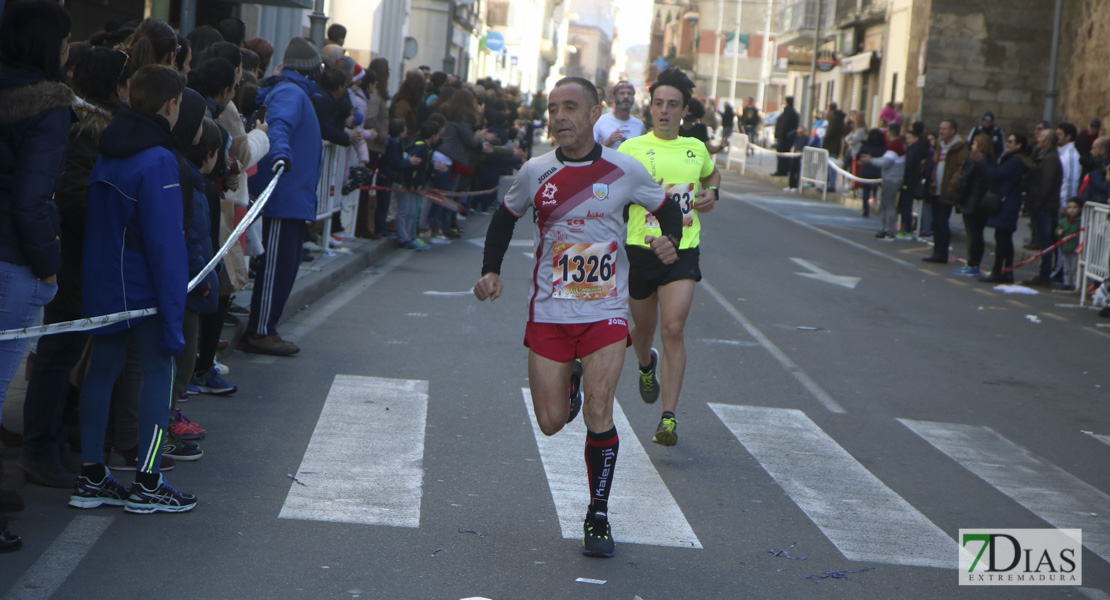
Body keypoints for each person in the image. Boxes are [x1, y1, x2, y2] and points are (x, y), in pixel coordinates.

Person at [473, 76, 681, 558]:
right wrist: (490, 271)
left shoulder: (623, 169)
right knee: (549, 423)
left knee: (600, 410)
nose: (559, 117)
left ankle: (598, 515)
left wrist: (667, 238)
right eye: (552, 109)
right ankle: (568, 385)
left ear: (594, 114)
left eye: (570, 107)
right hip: (549, 311)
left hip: (605, 311)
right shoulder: (535, 171)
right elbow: (505, 216)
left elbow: (666, 209)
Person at [72, 64, 196, 513]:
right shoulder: (159, 158)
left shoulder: (108, 149)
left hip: (103, 279)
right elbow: (165, 241)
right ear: (171, 105)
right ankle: (148, 480)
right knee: (158, 376)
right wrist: (173, 309)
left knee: (101, 372)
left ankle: (91, 475)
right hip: (143, 289)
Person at [0, 0, 73, 549]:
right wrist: (49, 268)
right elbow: (31, 199)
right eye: (66, 43)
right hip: (13, 261)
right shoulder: (49, 106)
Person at [618, 67, 719, 447]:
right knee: (643, 331)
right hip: (640, 250)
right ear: (651, 107)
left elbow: (712, 176)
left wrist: (713, 194)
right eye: (658, 103)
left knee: (673, 327)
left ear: (684, 110)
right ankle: (646, 365)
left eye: (672, 105)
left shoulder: (695, 148)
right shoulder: (630, 150)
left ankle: (669, 417)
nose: (664, 111)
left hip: (682, 250)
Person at [242, 37, 324, 356]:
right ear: (310, 70)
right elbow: (279, 127)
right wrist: (281, 156)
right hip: (283, 193)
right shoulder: (291, 92)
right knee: (277, 267)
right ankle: (260, 330)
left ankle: (265, 327)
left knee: (284, 266)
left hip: (291, 194)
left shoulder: (294, 91)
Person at [977, 133, 1032, 284]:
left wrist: (982, 161)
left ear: (1019, 145)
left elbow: (994, 174)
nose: (1007, 144)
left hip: (1007, 202)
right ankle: (1007, 271)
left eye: (1010, 141)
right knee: (1004, 238)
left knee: (1002, 239)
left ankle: (998, 271)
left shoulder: (1015, 162)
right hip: (1007, 200)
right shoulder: (1010, 159)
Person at [923, 119, 969, 263]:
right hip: (936, 189)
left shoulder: (959, 147)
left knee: (942, 221)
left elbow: (959, 169)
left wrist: (951, 187)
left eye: (944, 129)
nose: (941, 131)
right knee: (936, 222)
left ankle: (942, 252)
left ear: (952, 131)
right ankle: (937, 251)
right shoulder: (939, 145)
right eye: (940, 128)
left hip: (947, 190)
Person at [1022, 129, 1062, 287]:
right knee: (1041, 239)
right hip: (1037, 203)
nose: (1037, 139)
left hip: (1044, 205)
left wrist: (1038, 201)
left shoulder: (1050, 158)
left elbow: (1046, 182)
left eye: (1041, 137)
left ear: (1048, 141)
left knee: (1045, 240)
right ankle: (1043, 272)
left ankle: (1045, 274)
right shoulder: (1040, 154)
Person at [951, 134, 995, 275]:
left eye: (975, 144)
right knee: (978, 233)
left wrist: (958, 198)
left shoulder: (975, 159)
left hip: (972, 200)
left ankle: (972, 264)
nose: (972, 147)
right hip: (984, 201)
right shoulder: (991, 160)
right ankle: (974, 263)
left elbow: (964, 179)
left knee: (973, 234)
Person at [861, 125, 906, 240]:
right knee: (885, 205)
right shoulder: (895, 146)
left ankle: (888, 230)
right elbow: (884, 159)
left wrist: (870, 160)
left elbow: (885, 162)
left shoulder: (895, 146)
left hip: (892, 179)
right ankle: (885, 228)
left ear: (890, 133)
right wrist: (873, 159)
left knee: (889, 205)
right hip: (889, 178)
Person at [898, 122, 930, 240]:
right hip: (912, 180)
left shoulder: (913, 150)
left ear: (916, 138)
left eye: (910, 138)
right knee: (908, 205)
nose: (908, 140)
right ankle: (907, 228)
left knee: (907, 206)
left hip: (909, 181)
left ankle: (907, 230)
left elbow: (909, 166)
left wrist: (903, 176)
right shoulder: (916, 149)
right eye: (907, 138)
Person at [592, 80, 643, 150]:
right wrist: (608, 142)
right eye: (622, 93)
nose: (626, 96)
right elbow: (591, 151)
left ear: (633, 98)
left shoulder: (639, 125)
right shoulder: (600, 121)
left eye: (629, 93)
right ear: (613, 98)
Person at [857, 129, 886, 217]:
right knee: (883, 190)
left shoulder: (865, 146)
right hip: (879, 171)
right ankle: (882, 208)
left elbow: (858, 156)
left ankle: (866, 209)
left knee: (866, 191)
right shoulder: (883, 147)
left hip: (866, 171)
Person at [1056, 198, 1083, 290]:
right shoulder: (1064, 220)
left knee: (1075, 268)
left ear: (1079, 208)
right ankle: (1067, 282)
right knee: (1066, 267)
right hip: (1065, 247)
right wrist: (1058, 231)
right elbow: (1058, 228)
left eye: (1074, 207)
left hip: (1075, 248)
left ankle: (1075, 283)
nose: (1071, 210)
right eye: (1069, 207)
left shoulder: (1080, 221)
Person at [822, 102, 846, 192]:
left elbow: (830, 132)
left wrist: (825, 139)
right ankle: (829, 183)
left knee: (832, 165)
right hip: (835, 145)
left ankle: (831, 184)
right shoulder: (838, 118)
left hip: (831, 146)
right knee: (830, 164)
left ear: (831, 109)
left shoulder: (835, 119)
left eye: (827, 108)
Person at [772, 96, 799, 176]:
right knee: (784, 153)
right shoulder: (792, 112)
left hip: (785, 137)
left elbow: (784, 125)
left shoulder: (788, 112)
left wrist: (780, 134)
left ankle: (782, 170)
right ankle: (783, 170)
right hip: (787, 137)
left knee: (782, 154)